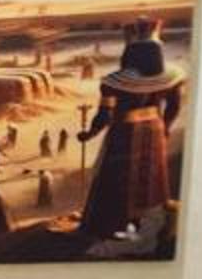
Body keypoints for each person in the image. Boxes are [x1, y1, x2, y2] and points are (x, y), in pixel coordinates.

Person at [77, 22, 185, 244]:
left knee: (118, 180)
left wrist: (90, 133)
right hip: (154, 132)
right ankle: (148, 224)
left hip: (124, 135)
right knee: (152, 180)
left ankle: (113, 226)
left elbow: (105, 116)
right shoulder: (170, 78)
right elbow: (174, 106)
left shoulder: (112, 84)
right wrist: (165, 126)